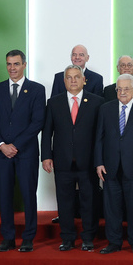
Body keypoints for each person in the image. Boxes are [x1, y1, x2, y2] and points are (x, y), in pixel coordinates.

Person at [0, 49, 46, 252]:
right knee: (5, 195)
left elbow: (37, 122)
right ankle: (8, 238)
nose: (12, 68)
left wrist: (16, 145)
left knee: (29, 195)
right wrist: (2, 145)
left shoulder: (37, 90)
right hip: (2, 153)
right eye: (9, 64)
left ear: (24, 65)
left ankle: (28, 237)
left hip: (26, 153)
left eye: (16, 64)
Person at [42, 65, 102, 251]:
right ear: (64, 81)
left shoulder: (97, 102)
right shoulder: (54, 102)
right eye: (69, 77)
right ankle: (67, 238)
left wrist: (100, 160)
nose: (73, 80)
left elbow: (100, 135)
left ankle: (88, 238)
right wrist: (46, 156)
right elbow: (47, 132)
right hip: (62, 161)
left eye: (77, 77)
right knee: (65, 202)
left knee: (89, 202)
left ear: (84, 80)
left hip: (88, 162)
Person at [95, 74, 133, 254]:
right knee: (111, 208)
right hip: (110, 166)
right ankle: (114, 242)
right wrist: (99, 162)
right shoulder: (105, 108)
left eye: (126, 89)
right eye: (119, 89)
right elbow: (99, 138)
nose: (122, 92)